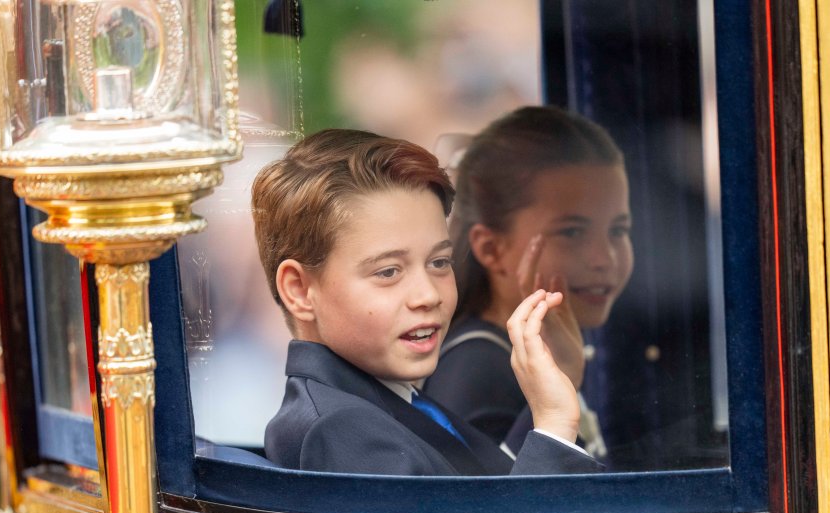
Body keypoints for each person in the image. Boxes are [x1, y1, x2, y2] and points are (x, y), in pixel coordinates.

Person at [252, 128, 602, 476]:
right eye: (388, 271)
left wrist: (558, 386)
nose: (429, 295)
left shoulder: (384, 398)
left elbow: (481, 488)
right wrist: (554, 426)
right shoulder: (342, 429)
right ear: (298, 290)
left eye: (439, 263)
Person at [424, 106, 633, 454]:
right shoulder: (478, 372)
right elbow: (497, 503)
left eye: (618, 230)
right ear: (491, 249)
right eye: (572, 232)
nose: (604, 258)